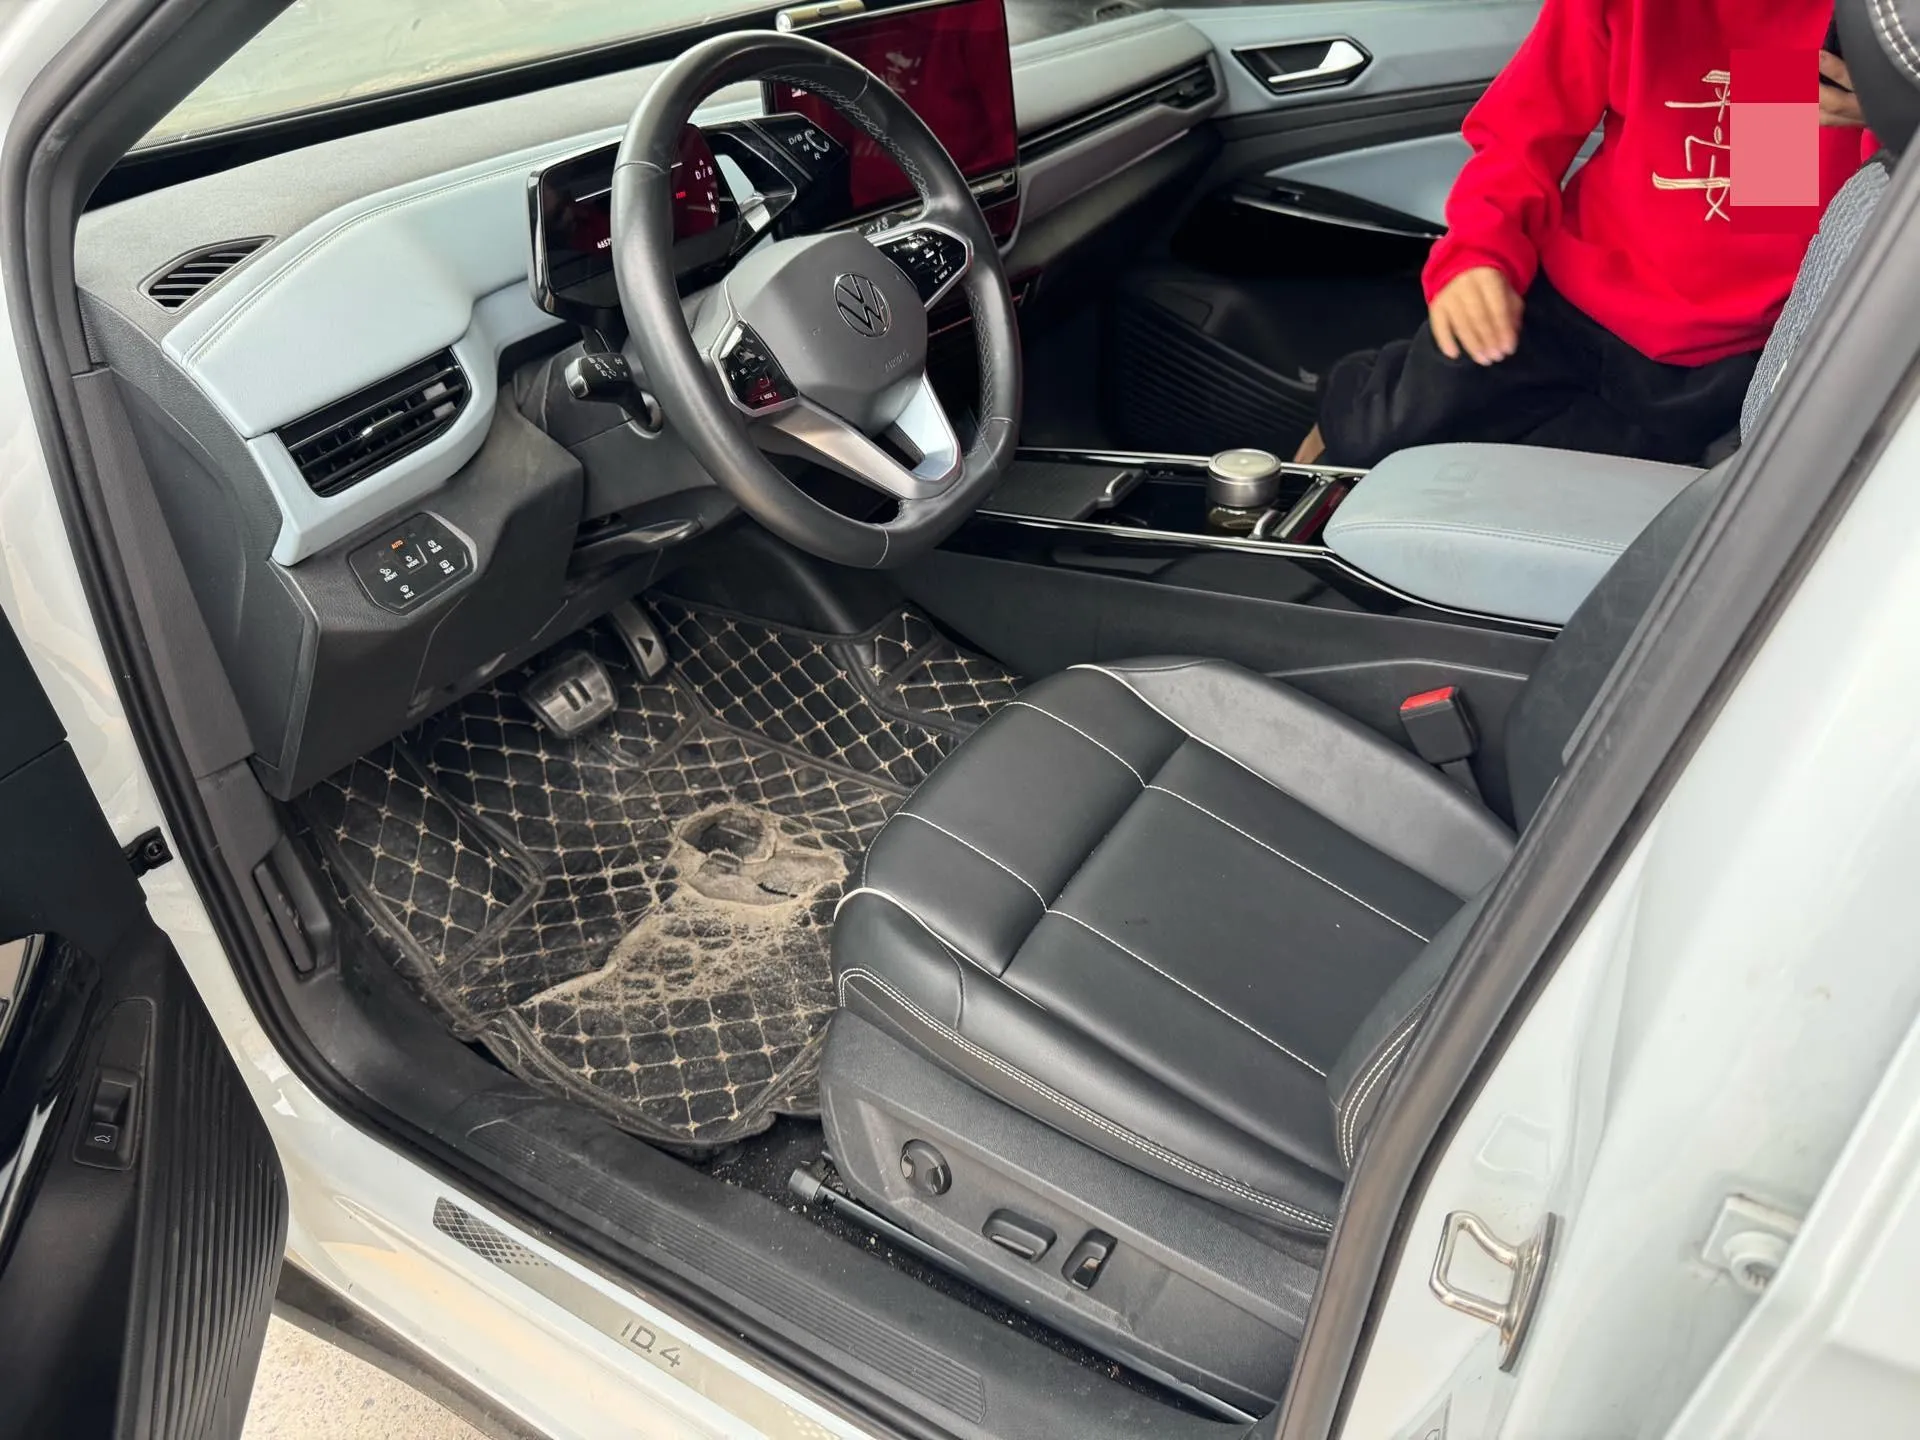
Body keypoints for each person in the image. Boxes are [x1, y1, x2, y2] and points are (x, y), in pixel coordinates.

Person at [1297, 4, 1873, 470]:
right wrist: (1478, 254)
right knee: (1380, 425)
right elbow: (1521, 137)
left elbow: (1777, 200)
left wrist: (1893, 114)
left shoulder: (1866, 32)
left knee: (1607, 495)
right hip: (1563, 306)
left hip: (1730, 357)